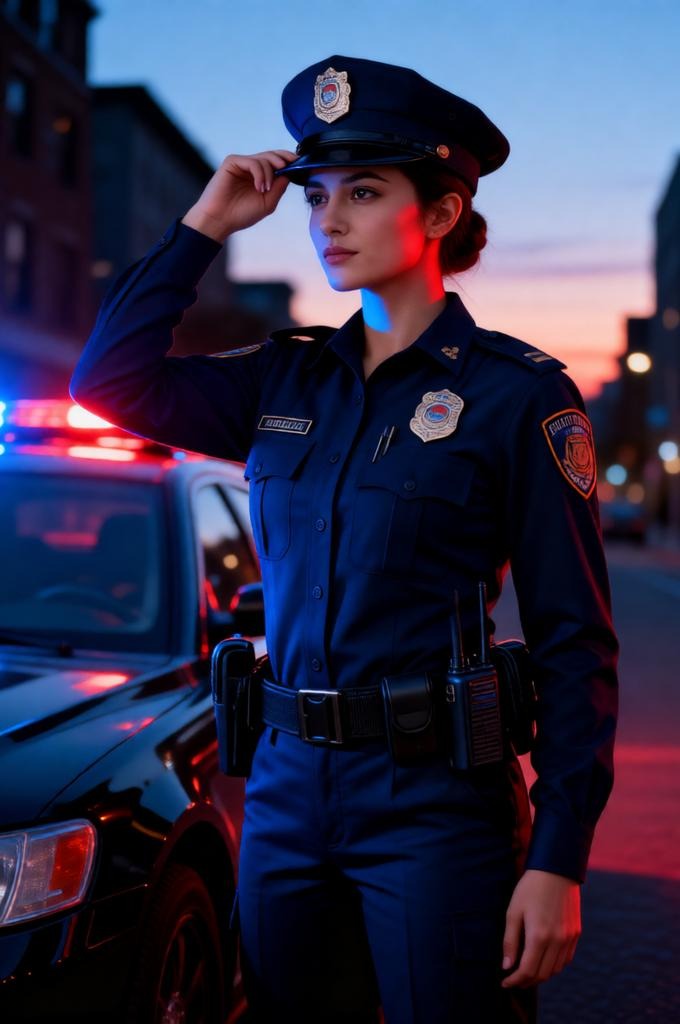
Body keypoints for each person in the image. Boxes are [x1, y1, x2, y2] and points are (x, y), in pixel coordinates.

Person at [70, 55, 619, 1024]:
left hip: (435, 806)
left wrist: (557, 857)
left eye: (362, 192)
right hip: (285, 795)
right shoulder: (281, 382)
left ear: (440, 213)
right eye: (316, 193)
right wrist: (202, 226)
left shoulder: (515, 395)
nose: (326, 219)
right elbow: (108, 381)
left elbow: (575, 640)